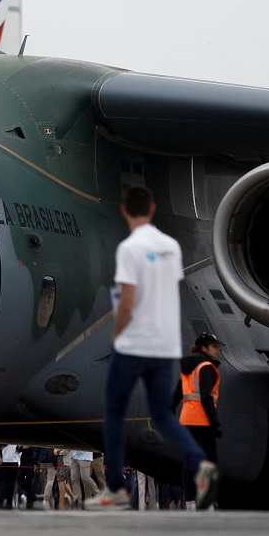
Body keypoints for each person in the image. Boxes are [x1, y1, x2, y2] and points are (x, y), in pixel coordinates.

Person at [90, 187, 218, 511]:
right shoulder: (170, 247)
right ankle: (199, 462)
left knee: (114, 411)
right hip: (165, 344)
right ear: (153, 208)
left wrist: (117, 336)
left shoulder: (130, 249)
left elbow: (129, 301)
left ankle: (117, 487)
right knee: (161, 414)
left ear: (124, 211)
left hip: (136, 341)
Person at [173, 332, 223, 502]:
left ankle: (190, 502)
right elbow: (206, 398)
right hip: (203, 421)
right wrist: (216, 424)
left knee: (189, 463)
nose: (218, 350)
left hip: (186, 420)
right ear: (204, 348)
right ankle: (208, 501)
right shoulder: (206, 367)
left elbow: (177, 393)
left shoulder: (187, 368)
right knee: (211, 462)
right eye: (215, 346)